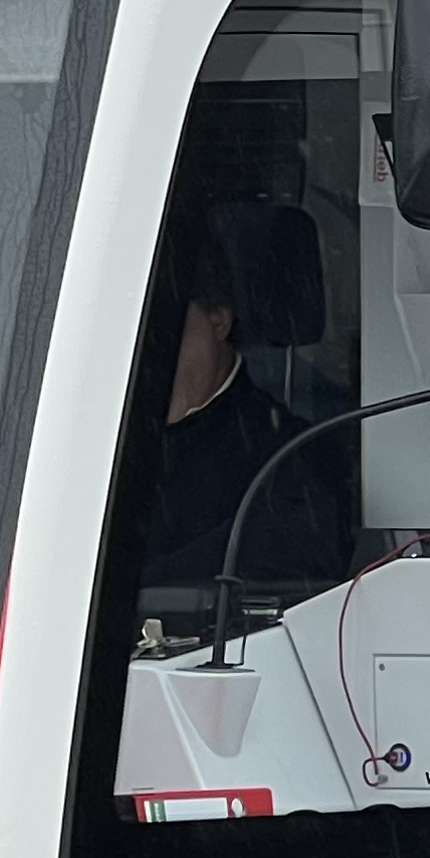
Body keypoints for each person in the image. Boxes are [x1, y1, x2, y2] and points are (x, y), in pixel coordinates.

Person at [139, 231, 348, 597]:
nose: (149, 355)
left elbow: (290, 562)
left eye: (165, 328)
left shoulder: (292, 453)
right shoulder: (102, 443)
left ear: (219, 318)